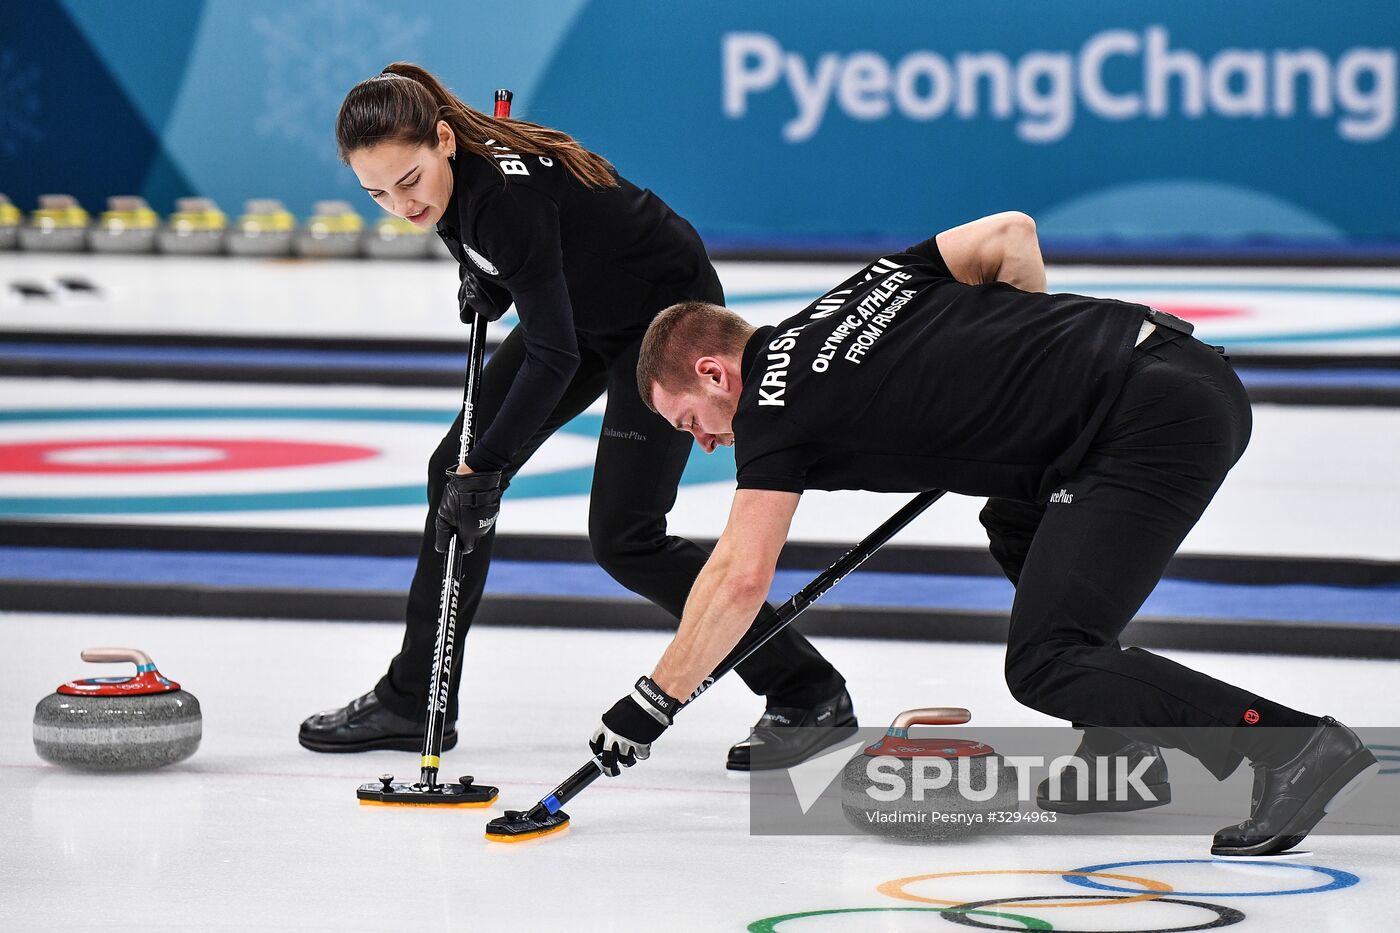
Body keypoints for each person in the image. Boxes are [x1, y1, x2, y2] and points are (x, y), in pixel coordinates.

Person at [587, 211, 1378, 856]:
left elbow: (739, 578)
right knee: (1012, 513)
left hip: (1151, 422)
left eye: (690, 421)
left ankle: (1288, 745)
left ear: (716, 375)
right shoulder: (854, 292)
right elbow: (1012, 235)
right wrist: (1024, 359)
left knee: (1044, 661)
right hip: (1173, 368)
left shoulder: (772, 409)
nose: (704, 441)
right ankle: (1120, 743)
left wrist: (652, 703)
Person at [299, 62, 855, 771]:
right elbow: (524, 267)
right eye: (375, 192)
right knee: (452, 476)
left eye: (409, 181)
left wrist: (491, 466)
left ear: (443, 140)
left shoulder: (498, 194)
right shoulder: (448, 180)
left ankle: (810, 693)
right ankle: (416, 697)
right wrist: (490, 281)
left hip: (660, 315)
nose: (401, 204)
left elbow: (553, 354)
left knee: (624, 536)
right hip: (582, 306)